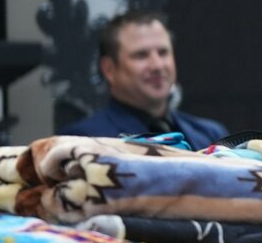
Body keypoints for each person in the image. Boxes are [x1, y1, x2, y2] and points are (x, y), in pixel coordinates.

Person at [58, 10, 228, 150]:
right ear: (109, 69)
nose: (157, 65)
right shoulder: (83, 140)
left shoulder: (211, 135)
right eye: (141, 55)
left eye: (163, 52)